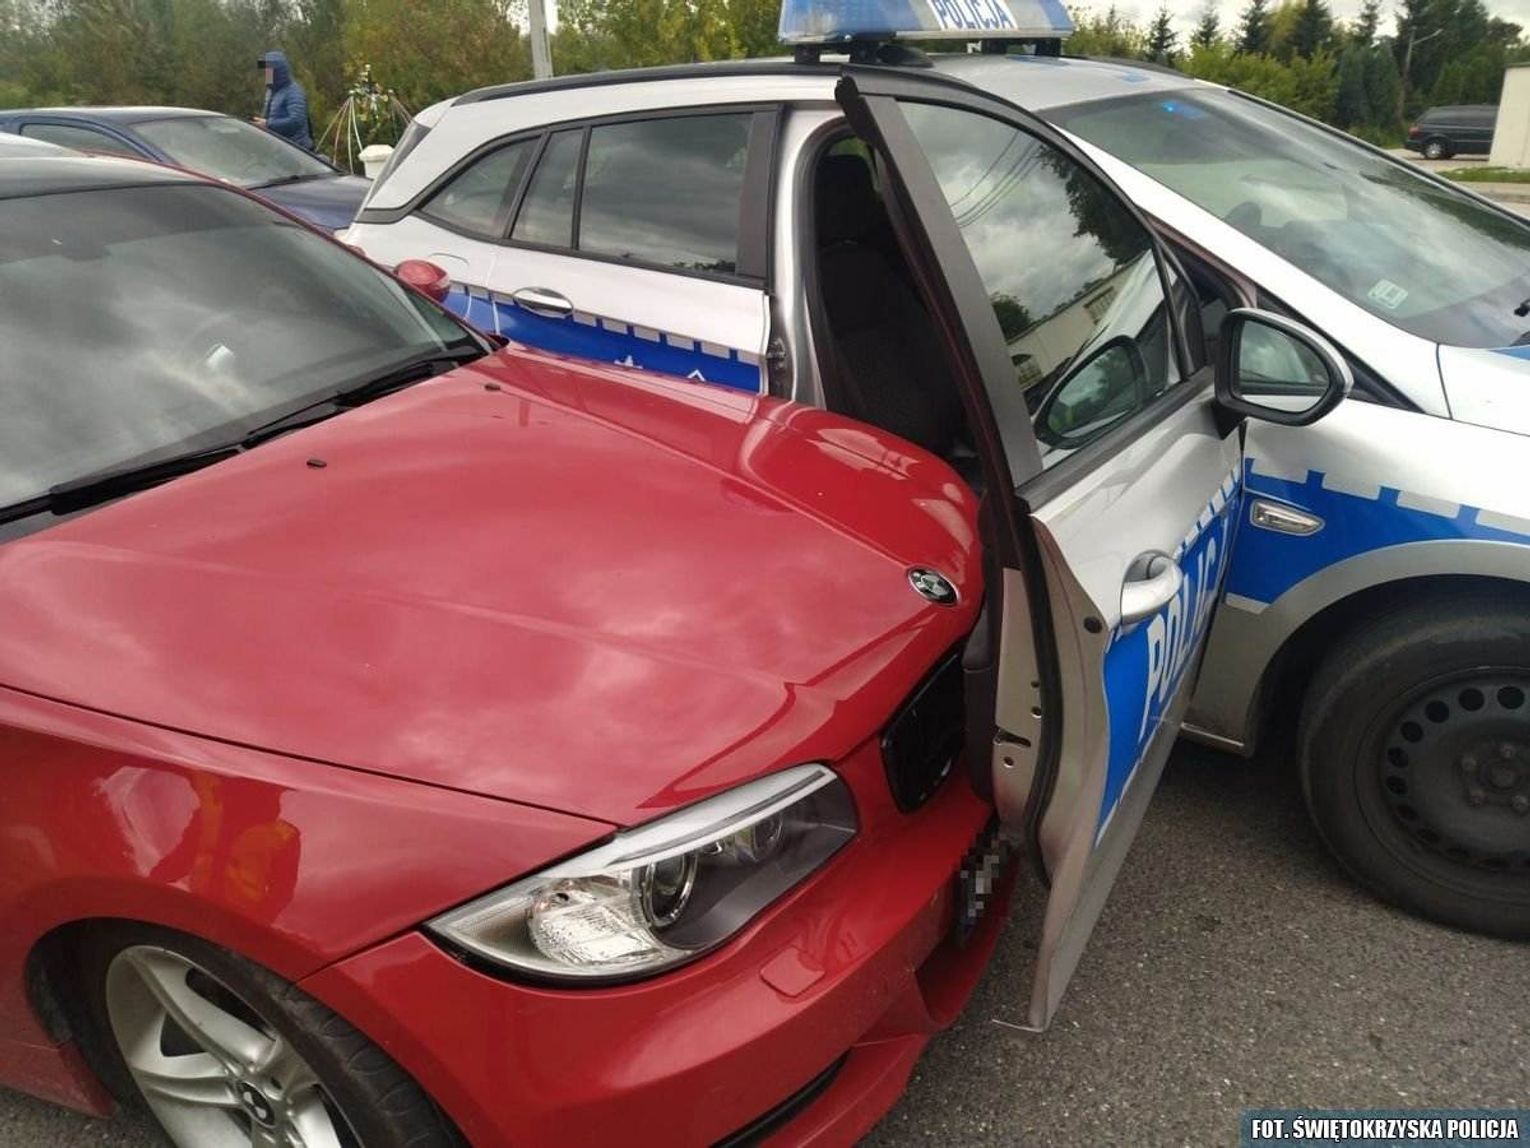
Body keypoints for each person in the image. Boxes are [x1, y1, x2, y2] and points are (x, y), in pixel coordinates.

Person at [253, 50, 313, 151]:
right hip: (280, 148)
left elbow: (296, 121)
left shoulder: (294, 92)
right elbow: (268, 116)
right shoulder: (271, 91)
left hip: (297, 149)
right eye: (265, 71)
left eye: (268, 70)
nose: (266, 74)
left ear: (277, 73)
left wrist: (268, 124)